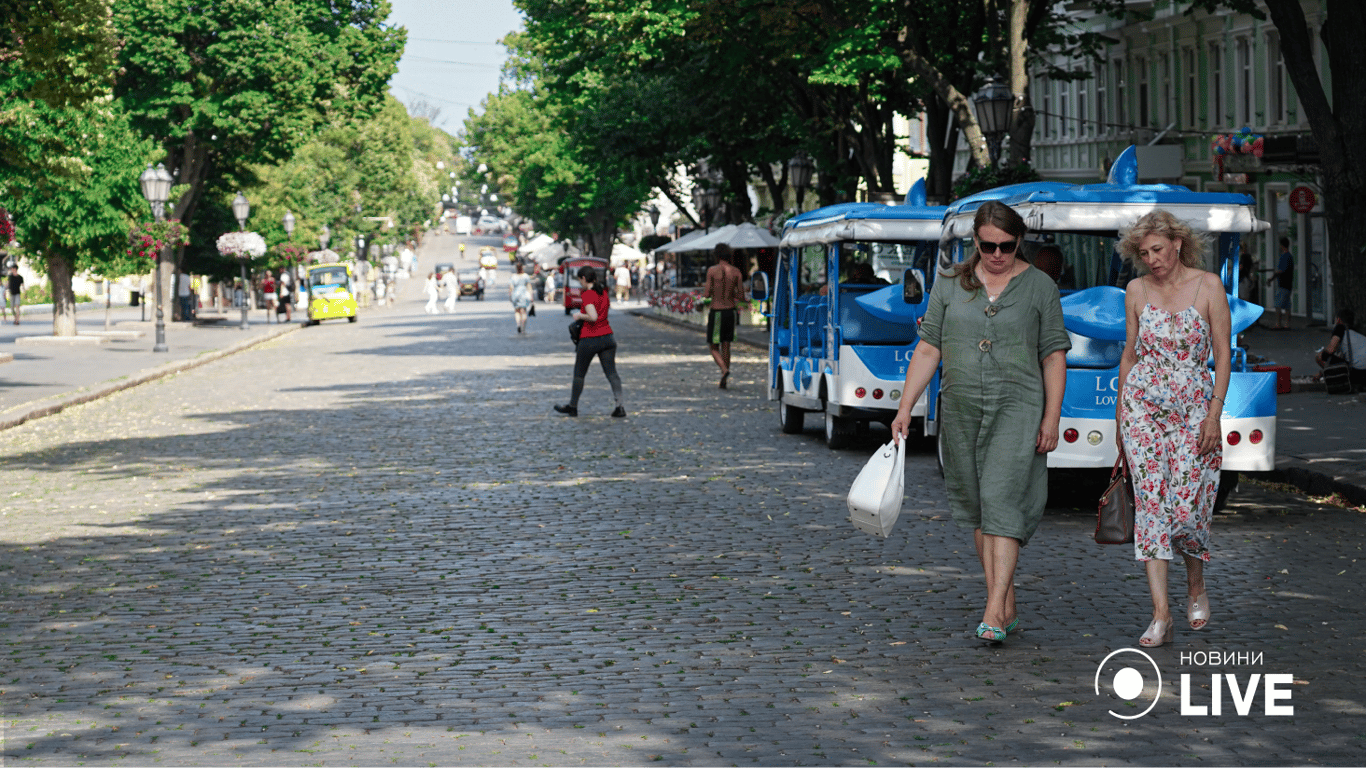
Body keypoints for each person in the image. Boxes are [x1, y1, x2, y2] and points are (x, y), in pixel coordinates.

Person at [890, 200, 1069, 645]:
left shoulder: (1040, 287)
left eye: (1006, 247)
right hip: (961, 408)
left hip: (1019, 407)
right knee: (976, 507)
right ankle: (1003, 600)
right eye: (988, 246)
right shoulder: (950, 284)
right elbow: (929, 348)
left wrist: (1051, 416)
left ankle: (992, 609)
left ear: (1019, 242)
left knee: (1001, 500)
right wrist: (904, 407)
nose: (997, 255)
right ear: (975, 241)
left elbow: (1053, 355)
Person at [1115, 209, 1231, 649]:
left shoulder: (1208, 286)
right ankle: (1160, 614)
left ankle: (1195, 581)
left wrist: (1214, 415)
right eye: (1144, 253)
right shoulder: (1136, 290)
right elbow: (1130, 353)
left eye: (1158, 250)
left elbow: (1222, 353)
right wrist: (1120, 421)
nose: (1152, 260)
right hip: (1143, 409)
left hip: (1194, 411)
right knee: (1151, 508)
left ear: (1177, 243)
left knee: (1187, 509)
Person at [554, 265, 626, 418]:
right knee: (612, 373)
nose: (580, 283)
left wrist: (579, 316)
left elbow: (593, 317)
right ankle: (620, 406)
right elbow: (603, 314)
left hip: (590, 338)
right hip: (608, 337)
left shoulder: (587, 294)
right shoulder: (604, 293)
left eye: (580, 280)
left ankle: (573, 406)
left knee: (579, 373)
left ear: (584, 279)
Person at [702, 244, 745, 389]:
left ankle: (723, 369)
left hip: (717, 311)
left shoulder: (712, 271)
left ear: (716, 255)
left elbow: (706, 294)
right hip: (730, 311)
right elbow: (741, 295)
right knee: (726, 344)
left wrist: (714, 290)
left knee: (713, 346)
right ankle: (724, 379)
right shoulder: (736, 272)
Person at [1314, 308, 1366, 389]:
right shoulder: (1357, 333)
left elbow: (1330, 350)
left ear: (1338, 320)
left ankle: (1334, 378)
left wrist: (1323, 358)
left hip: (1357, 371)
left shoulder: (1340, 328)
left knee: (1320, 356)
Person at [1266, 236, 1294, 330]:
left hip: (1283, 284)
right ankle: (1287, 324)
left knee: (1278, 305)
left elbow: (1280, 271)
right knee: (1287, 305)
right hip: (1288, 284)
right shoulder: (1290, 256)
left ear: (1282, 245)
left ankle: (1278, 324)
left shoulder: (1284, 256)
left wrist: (1271, 278)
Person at [509, 262, 532, 333]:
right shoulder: (525, 276)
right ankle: (523, 328)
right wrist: (531, 296)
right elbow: (529, 287)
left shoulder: (513, 276)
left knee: (517, 311)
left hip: (516, 295)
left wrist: (510, 296)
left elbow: (511, 287)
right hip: (524, 294)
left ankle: (518, 325)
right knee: (523, 311)